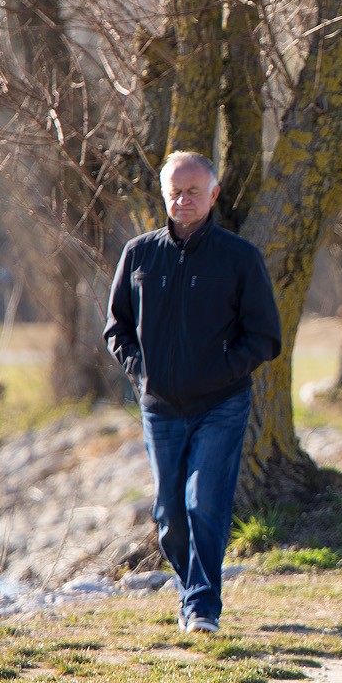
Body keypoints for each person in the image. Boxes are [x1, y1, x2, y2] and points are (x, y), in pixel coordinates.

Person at [104, 151, 282, 634]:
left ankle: (202, 605)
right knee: (168, 515)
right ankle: (192, 592)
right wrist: (142, 374)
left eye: (193, 192)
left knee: (205, 501)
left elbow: (265, 335)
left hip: (221, 404)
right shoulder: (139, 254)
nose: (183, 200)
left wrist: (224, 371)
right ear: (164, 194)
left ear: (214, 194)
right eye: (175, 192)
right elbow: (117, 328)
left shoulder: (239, 258)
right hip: (159, 407)